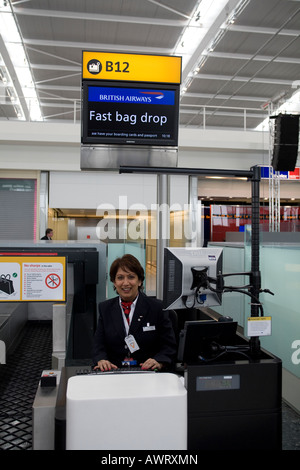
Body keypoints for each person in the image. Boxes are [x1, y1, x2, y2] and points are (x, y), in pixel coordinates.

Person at [93, 254, 177, 371]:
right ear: (114, 282)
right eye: (120, 278)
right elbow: (99, 345)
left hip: (147, 373)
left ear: (140, 281)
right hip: (115, 371)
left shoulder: (156, 308)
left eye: (131, 277)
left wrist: (159, 361)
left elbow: (169, 346)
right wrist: (101, 359)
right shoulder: (105, 308)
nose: (125, 283)